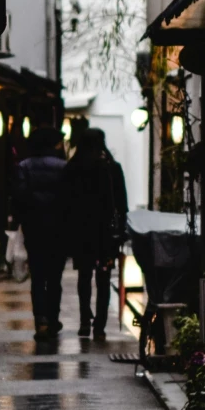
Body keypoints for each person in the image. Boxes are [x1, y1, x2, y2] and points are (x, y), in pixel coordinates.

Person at [59, 126, 129, 342]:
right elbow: (122, 203)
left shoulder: (72, 168)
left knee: (84, 277)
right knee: (104, 277)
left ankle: (83, 322)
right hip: (106, 235)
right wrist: (122, 228)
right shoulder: (111, 168)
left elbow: (65, 203)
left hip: (82, 233)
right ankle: (100, 324)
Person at [8, 125, 69, 346]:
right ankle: (53, 320)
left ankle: (40, 320)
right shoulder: (64, 167)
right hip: (59, 230)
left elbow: (19, 197)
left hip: (34, 228)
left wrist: (23, 218)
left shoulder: (24, 167)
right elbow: (70, 200)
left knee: (38, 277)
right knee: (55, 278)